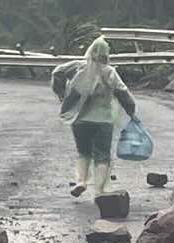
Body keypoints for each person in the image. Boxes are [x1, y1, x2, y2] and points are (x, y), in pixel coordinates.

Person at [50, 35, 137, 197]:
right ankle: (99, 190)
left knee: (83, 152)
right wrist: (132, 112)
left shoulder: (78, 67)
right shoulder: (109, 72)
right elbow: (124, 95)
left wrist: (62, 94)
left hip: (79, 120)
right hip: (103, 121)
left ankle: (81, 182)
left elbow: (57, 72)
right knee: (102, 156)